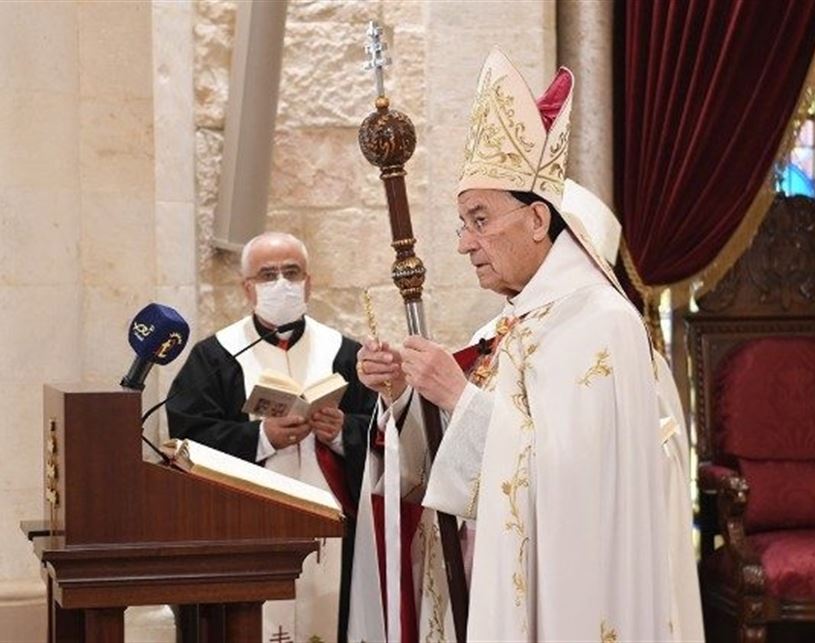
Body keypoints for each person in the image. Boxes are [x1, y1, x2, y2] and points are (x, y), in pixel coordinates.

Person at [353, 48, 703, 642]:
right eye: (463, 223)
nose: (464, 243)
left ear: (538, 220)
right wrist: (403, 397)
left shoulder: (603, 323)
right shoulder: (507, 326)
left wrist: (458, 396)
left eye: (479, 219)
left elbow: (578, 487)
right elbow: (449, 465)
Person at [166, 231, 376, 643]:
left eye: (291, 273)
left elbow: (381, 430)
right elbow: (189, 436)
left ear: (309, 283)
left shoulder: (344, 353)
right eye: (267, 275)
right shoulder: (217, 356)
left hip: (332, 524)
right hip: (246, 527)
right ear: (247, 288)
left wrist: (342, 433)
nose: (281, 283)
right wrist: (261, 436)